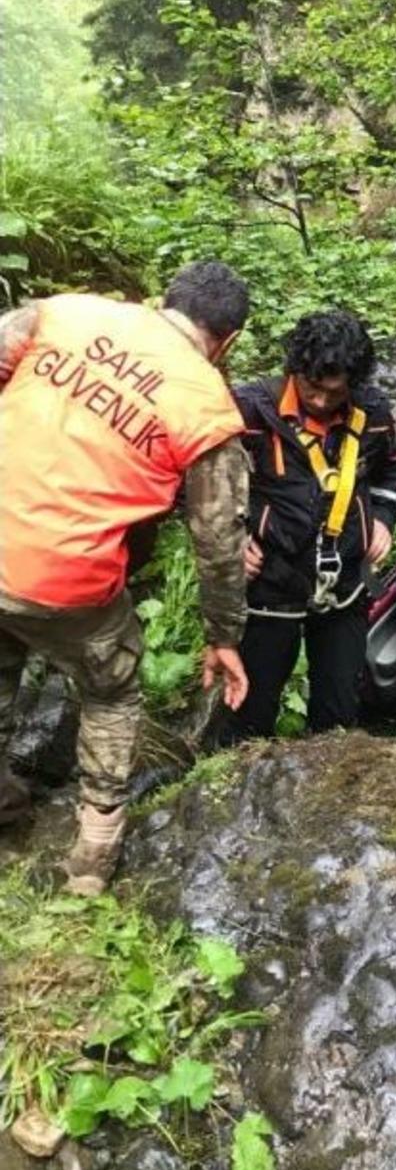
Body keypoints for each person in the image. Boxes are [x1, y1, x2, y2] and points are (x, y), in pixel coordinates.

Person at [0, 261, 252, 894]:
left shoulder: (65, 312)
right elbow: (220, 541)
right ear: (228, 341)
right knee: (112, 690)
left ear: (163, 299)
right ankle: (93, 853)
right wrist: (224, 635)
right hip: (69, 577)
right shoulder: (207, 407)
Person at [223, 309, 396, 739]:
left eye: (334, 392)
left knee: (339, 714)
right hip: (272, 579)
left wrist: (382, 518)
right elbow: (201, 482)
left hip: (344, 585)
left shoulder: (373, 413)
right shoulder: (250, 410)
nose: (321, 402)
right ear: (295, 371)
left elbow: (391, 473)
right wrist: (233, 537)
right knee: (251, 709)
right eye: (311, 388)